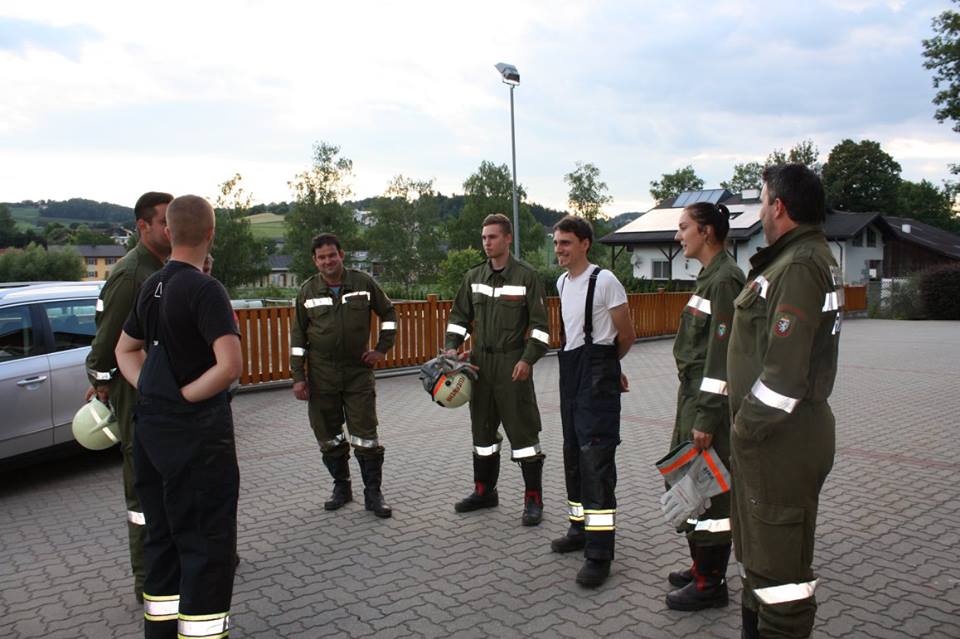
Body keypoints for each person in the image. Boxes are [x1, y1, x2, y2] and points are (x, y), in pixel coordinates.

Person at [115, 195, 242, 638]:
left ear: (168, 232)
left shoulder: (151, 285)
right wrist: (185, 396)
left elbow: (124, 350)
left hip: (152, 434)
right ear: (211, 233)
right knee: (206, 548)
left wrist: (152, 389)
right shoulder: (206, 289)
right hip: (198, 440)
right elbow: (229, 365)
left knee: (163, 541)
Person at [728, 164, 841, 639]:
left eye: (761, 201)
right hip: (773, 438)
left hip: (778, 439)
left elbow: (784, 378)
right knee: (761, 562)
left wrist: (743, 429)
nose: (759, 212)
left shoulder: (797, 266)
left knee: (781, 583)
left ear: (779, 207)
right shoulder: (795, 259)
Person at [84, 191, 173, 604]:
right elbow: (108, 342)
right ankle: (148, 580)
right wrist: (102, 381)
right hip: (134, 393)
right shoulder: (133, 275)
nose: (172, 229)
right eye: (164, 222)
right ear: (143, 226)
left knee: (165, 481)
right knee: (143, 490)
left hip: (154, 390)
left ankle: (172, 564)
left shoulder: (159, 268)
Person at [443, 213, 551, 526]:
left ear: (507, 238)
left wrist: (527, 359)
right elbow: (459, 318)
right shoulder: (474, 276)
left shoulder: (527, 277)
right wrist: (452, 346)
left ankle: (533, 500)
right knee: (482, 432)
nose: (487, 243)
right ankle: (484, 492)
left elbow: (541, 328)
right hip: (479, 365)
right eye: (484, 238)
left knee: (523, 433)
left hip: (512, 363)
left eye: (492, 237)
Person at [664, 202, 745, 611]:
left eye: (684, 228)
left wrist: (708, 417)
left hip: (707, 401)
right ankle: (700, 567)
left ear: (707, 232)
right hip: (693, 397)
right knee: (690, 482)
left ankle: (710, 583)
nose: (678, 236)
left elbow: (722, 357)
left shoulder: (725, 281)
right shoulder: (710, 277)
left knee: (710, 492)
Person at [550, 215, 636, 588]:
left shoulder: (605, 281)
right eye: (556, 243)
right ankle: (579, 529)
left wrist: (609, 368)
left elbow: (627, 334)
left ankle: (600, 554)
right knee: (573, 453)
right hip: (570, 373)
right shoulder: (562, 283)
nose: (559, 250)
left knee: (596, 460)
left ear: (585, 244)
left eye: (566, 243)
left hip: (596, 376)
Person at [290, 233, 397, 518]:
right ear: (315, 261)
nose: (328, 261)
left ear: (342, 255)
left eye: (332, 255)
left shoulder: (363, 283)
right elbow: (298, 338)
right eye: (321, 257)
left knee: (366, 436)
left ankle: (373, 494)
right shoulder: (307, 291)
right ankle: (342, 487)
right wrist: (298, 377)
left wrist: (381, 349)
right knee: (329, 436)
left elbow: (389, 313)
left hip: (357, 373)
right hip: (321, 375)